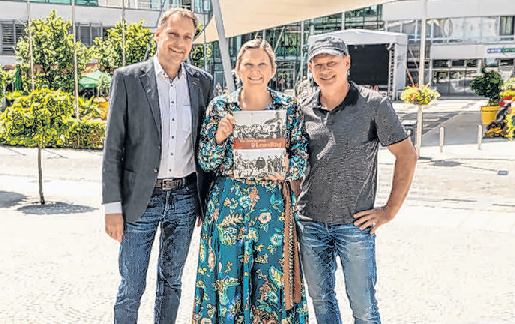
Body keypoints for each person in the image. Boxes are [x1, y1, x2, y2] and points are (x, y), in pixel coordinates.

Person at [101, 8, 213, 324]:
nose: (180, 42)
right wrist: (112, 207)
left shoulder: (202, 82)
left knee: (172, 282)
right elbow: (113, 149)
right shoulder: (127, 79)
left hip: (185, 198)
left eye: (188, 37)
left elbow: (207, 145)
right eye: (173, 34)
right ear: (158, 34)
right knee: (131, 286)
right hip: (140, 198)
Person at [296, 35, 418, 323]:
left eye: (332, 63)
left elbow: (407, 156)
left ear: (347, 62)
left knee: (363, 307)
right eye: (318, 64)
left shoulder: (374, 105)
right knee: (321, 301)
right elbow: (297, 164)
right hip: (310, 223)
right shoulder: (303, 109)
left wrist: (389, 211)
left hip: (355, 224)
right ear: (310, 68)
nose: (325, 70)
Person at [192, 39, 309, 323]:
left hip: (273, 210)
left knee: (272, 276)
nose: (254, 70)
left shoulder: (289, 107)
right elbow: (206, 161)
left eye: (261, 64)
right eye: (248, 64)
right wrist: (220, 137)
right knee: (227, 275)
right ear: (237, 69)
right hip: (228, 208)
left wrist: (285, 170)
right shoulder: (220, 107)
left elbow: (302, 158)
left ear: (272, 69)